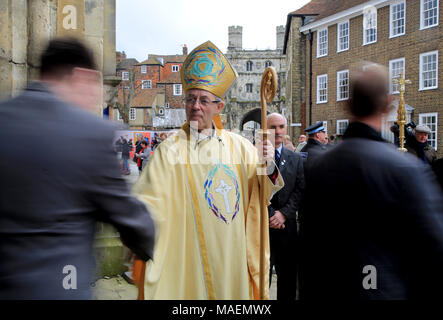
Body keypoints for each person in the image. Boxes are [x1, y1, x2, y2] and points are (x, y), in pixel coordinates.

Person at [0, 37, 155, 300]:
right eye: (95, 86)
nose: (95, 95)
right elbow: (132, 221)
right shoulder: (91, 133)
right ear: (81, 76)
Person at [132, 41, 283, 300]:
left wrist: (267, 165)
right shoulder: (169, 152)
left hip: (234, 255)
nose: (196, 106)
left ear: (219, 107)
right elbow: (148, 201)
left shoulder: (241, 148)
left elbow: (260, 195)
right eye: (190, 99)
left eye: (203, 100)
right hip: (189, 258)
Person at [299, 63, 443, 300]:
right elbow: (431, 250)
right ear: (387, 104)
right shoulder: (405, 168)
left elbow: (310, 249)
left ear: (348, 105)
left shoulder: (321, 166)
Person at [267, 113, 304, 300]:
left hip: (287, 228)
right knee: (262, 277)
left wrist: (283, 214)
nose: (277, 131)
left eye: (281, 126)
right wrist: (271, 215)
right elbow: (255, 191)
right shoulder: (256, 156)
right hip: (263, 229)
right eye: (273, 127)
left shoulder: (295, 159)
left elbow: (299, 189)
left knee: (287, 279)